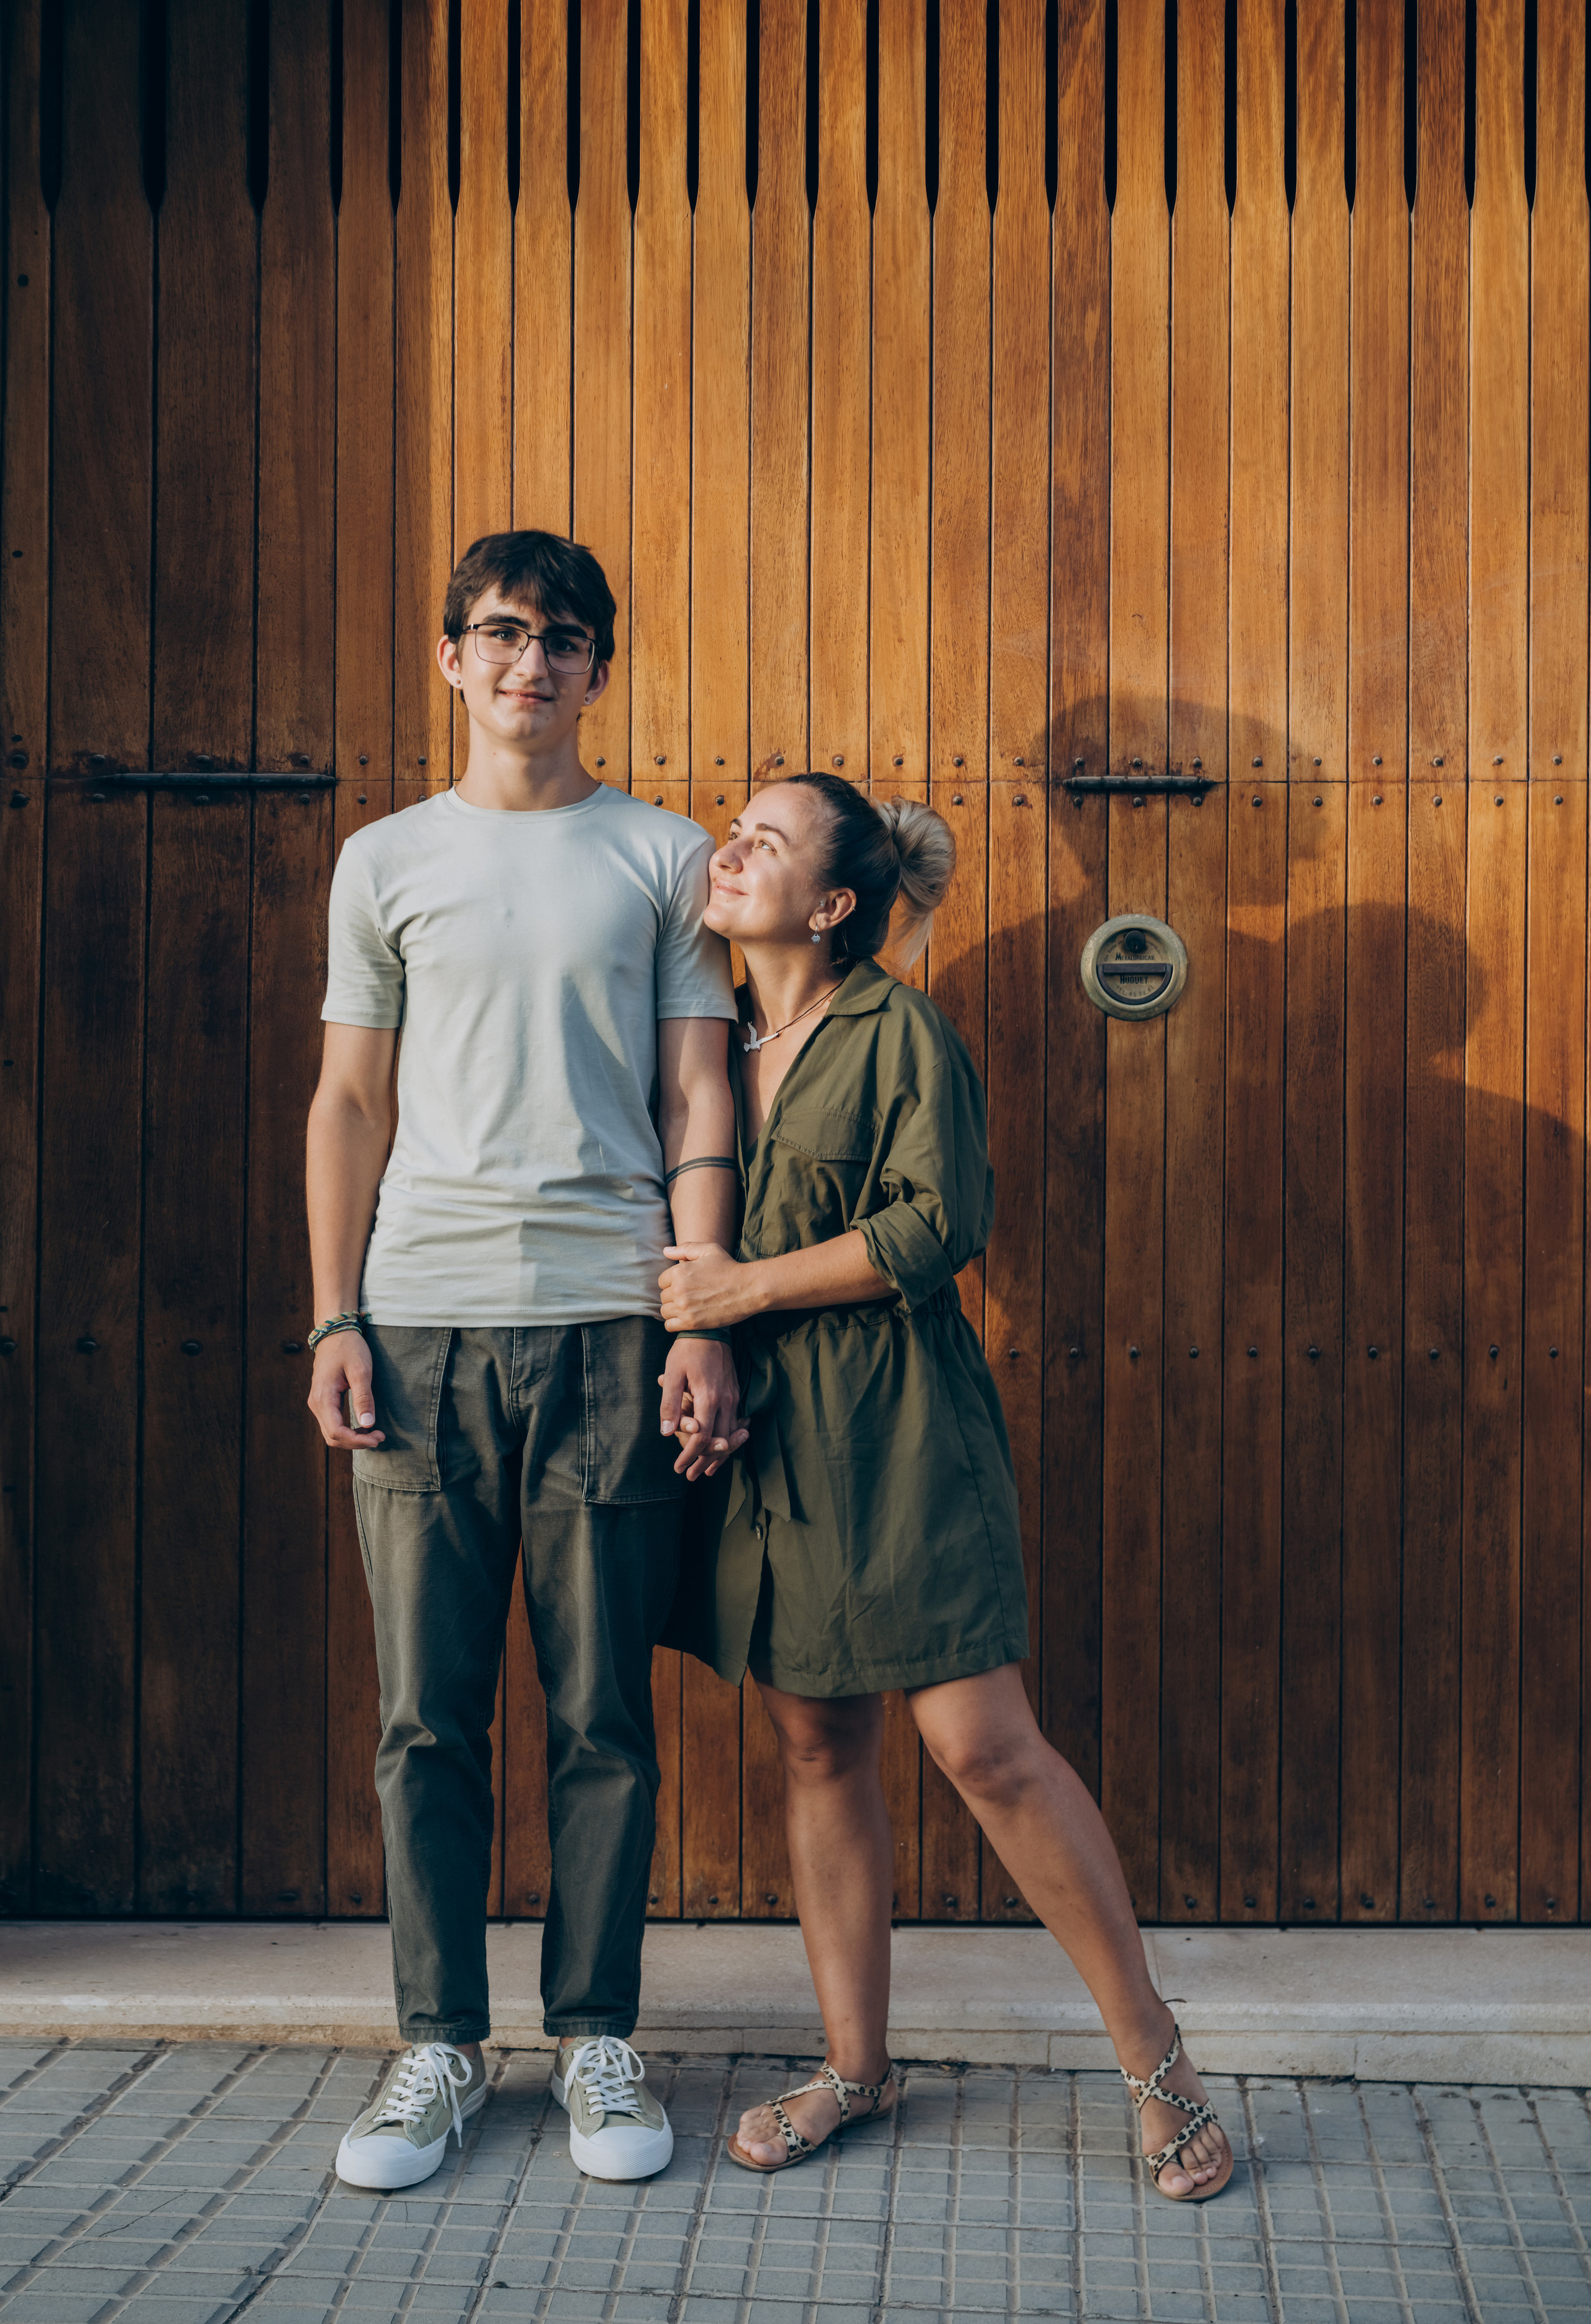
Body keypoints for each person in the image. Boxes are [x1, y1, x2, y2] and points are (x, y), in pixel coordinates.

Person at [659, 772, 1234, 2203]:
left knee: (984, 1747)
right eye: (732, 828)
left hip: (898, 1422)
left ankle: (1157, 2061)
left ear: (832, 904)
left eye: (767, 842)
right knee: (816, 1749)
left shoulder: (897, 1027)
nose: (729, 849)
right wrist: (702, 1336)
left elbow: (938, 1223)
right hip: (768, 1439)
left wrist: (740, 1291)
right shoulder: (710, 1040)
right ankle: (854, 2068)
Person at [305, 530, 745, 2192]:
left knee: (601, 1710)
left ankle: (596, 2036)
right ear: (451, 657)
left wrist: (695, 1312)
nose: (530, 663)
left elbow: (703, 1093)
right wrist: (335, 1312)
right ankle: (437, 2044)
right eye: (500, 633)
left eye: (564, 638)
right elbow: (349, 1101)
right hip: (417, 1327)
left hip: (612, 1323)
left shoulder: (659, 853)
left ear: (597, 667)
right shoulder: (384, 857)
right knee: (426, 1713)